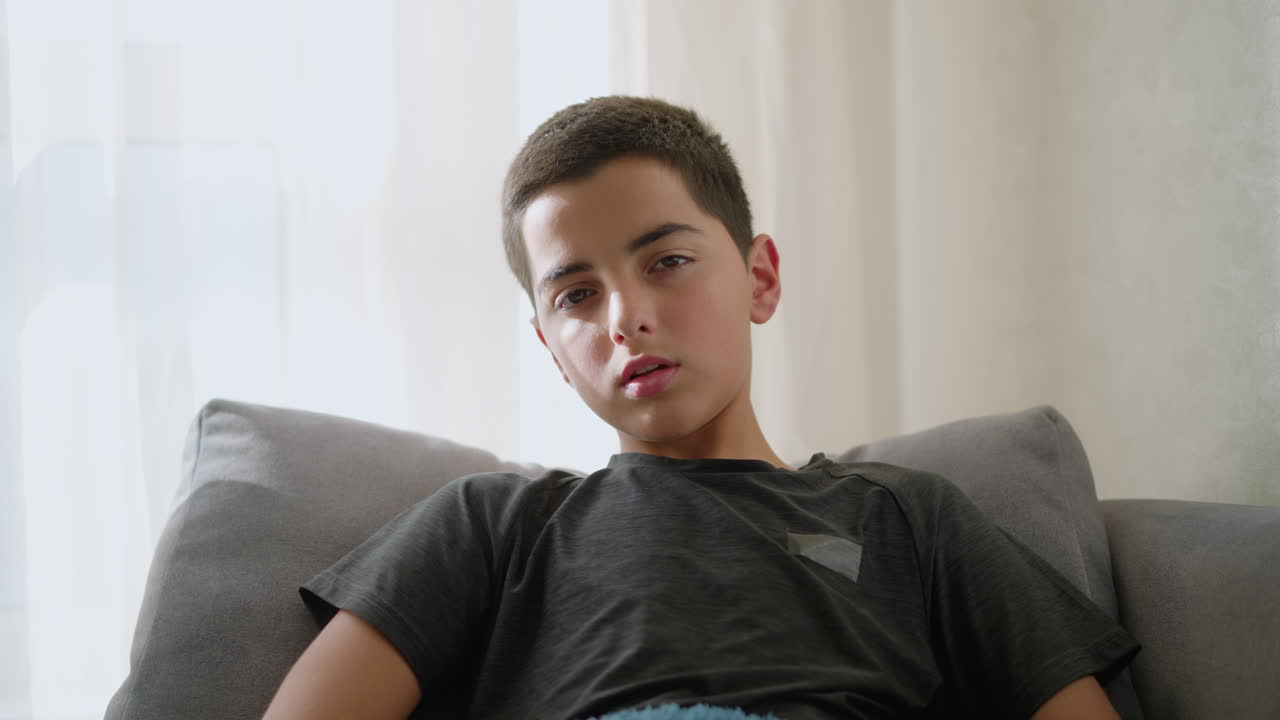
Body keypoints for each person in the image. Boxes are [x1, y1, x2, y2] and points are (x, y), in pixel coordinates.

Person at [262, 96, 1140, 720]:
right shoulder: (490, 528)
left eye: (668, 262)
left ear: (760, 278)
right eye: (576, 295)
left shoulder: (911, 519)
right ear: (551, 350)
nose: (625, 317)